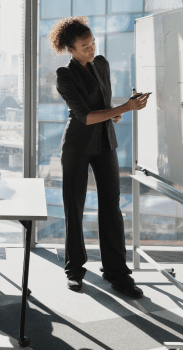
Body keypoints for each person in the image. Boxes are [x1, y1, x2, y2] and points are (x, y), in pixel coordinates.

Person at [50, 16, 149, 297]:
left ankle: (117, 273)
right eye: (84, 46)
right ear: (70, 48)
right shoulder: (64, 74)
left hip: (105, 143)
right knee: (74, 207)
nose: (91, 49)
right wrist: (126, 108)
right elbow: (84, 115)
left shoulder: (102, 64)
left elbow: (103, 106)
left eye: (93, 43)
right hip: (77, 146)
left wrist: (117, 112)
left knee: (111, 208)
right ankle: (74, 269)